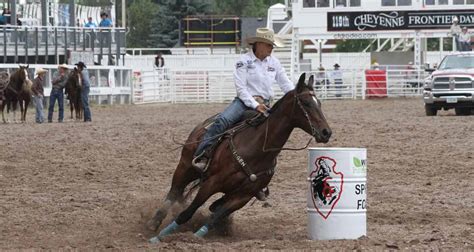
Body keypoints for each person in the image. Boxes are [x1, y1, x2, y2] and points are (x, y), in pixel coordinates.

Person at [192, 27, 294, 172]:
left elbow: (286, 83)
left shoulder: (274, 63)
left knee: (274, 132)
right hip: (244, 103)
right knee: (223, 121)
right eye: (269, 45)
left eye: (272, 46)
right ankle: (202, 154)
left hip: (265, 104)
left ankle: (264, 168)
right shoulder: (244, 61)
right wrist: (255, 105)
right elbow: (241, 89)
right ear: (259, 44)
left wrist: (296, 95)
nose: (272, 49)